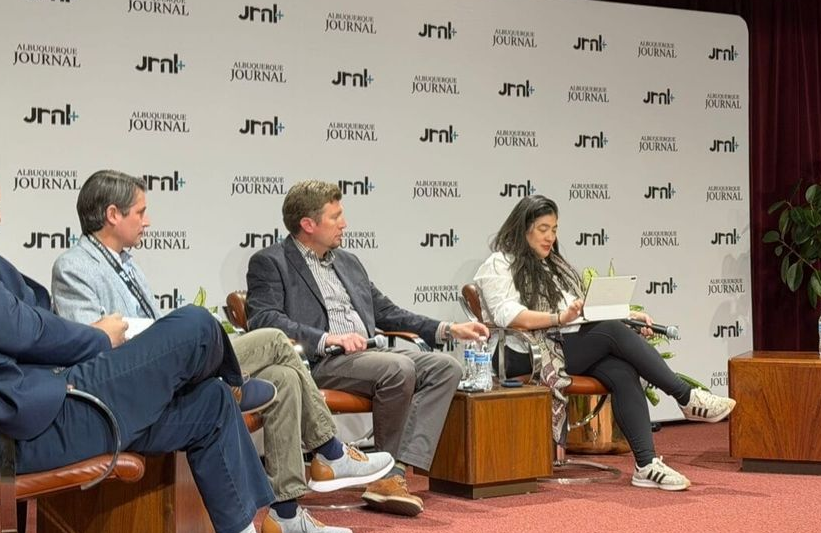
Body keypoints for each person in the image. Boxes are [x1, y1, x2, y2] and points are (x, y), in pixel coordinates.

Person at [0, 152, 323, 533]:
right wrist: (97, 338)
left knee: (208, 404)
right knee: (194, 325)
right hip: (18, 429)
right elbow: (21, 329)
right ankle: (236, 385)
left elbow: (25, 316)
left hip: (34, 409)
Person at [51, 170, 392, 533]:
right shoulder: (75, 266)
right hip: (131, 385)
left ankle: (286, 515)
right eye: (140, 212)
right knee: (276, 341)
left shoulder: (126, 263)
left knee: (283, 377)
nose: (147, 221)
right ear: (113, 214)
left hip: (162, 370)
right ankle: (329, 452)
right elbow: (88, 344)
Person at [246, 180, 488, 516]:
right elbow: (264, 319)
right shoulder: (271, 262)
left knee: (446, 367)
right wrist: (327, 338)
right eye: (335, 217)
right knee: (397, 368)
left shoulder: (348, 261)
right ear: (308, 224)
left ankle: (395, 472)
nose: (344, 224)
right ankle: (385, 475)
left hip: (369, 355)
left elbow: (386, 311)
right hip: (320, 361)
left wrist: (446, 328)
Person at [473, 195, 736, 491]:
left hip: (560, 346)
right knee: (610, 332)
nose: (550, 237)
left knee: (621, 368)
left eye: (555, 229)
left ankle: (646, 465)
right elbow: (510, 316)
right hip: (520, 353)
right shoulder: (499, 264)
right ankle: (686, 396)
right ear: (523, 229)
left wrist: (630, 317)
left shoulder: (553, 267)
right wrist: (559, 316)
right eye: (543, 228)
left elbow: (581, 312)